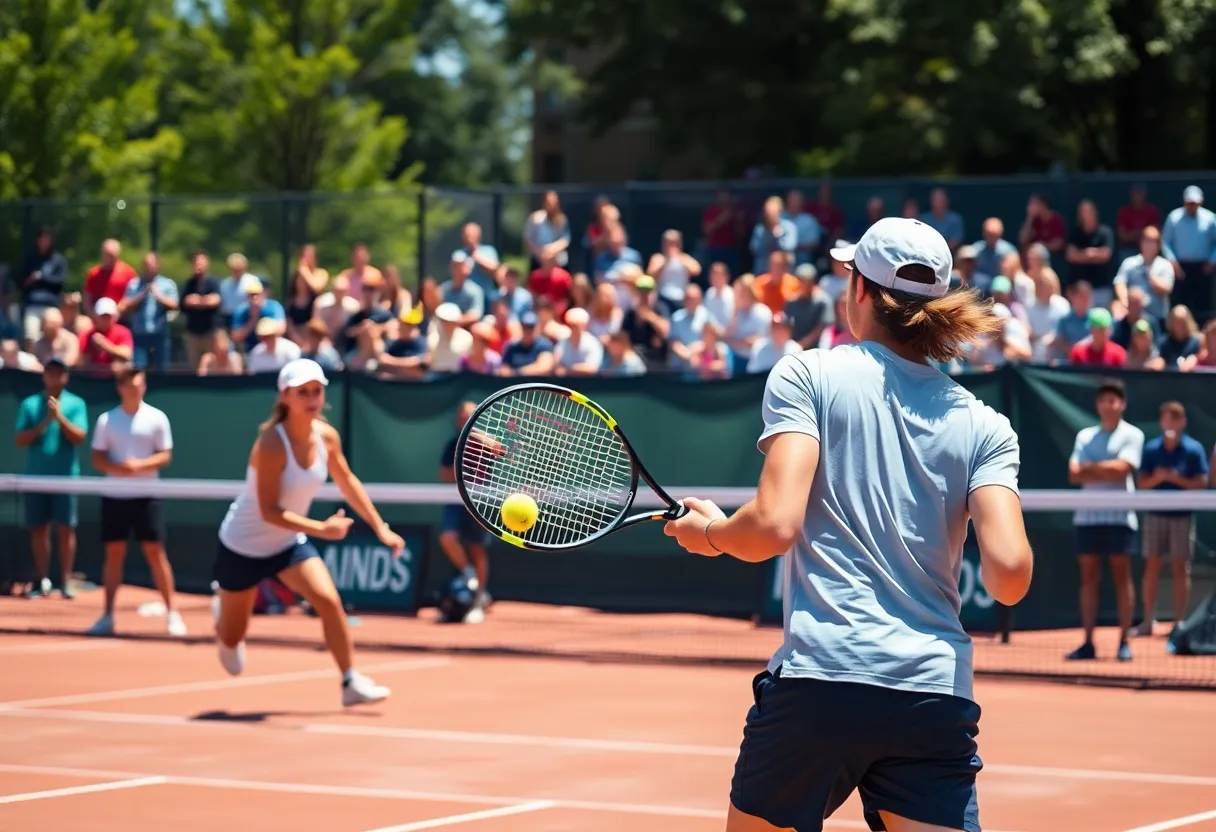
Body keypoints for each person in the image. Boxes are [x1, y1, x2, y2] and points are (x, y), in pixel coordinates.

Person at [664, 217, 1033, 832]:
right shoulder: (985, 424)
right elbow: (1010, 578)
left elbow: (773, 526)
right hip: (934, 694)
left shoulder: (806, 374)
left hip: (822, 681)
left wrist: (711, 533)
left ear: (859, 290)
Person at [213, 358, 403, 705]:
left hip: (287, 543)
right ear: (286, 396)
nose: (313, 399)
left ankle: (349, 682)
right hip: (243, 546)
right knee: (232, 638)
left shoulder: (327, 437)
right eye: (304, 393)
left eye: (317, 391)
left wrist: (381, 528)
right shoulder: (270, 443)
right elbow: (269, 510)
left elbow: (347, 481)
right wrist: (322, 529)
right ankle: (224, 618)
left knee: (329, 601)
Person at [87, 364, 183, 637]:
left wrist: (138, 466)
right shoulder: (107, 420)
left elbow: (165, 456)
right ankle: (107, 616)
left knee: (156, 553)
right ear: (120, 388)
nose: (135, 389)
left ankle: (172, 613)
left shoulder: (157, 418)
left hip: (148, 496)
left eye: (139, 384)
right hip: (115, 497)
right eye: (130, 385)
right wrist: (120, 469)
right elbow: (97, 458)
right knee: (113, 555)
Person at [1066, 379, 1145, 662]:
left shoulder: (1133, 435)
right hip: (1087, 517)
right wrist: (1104, 470)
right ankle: (1088, 642)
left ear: (1121, 404)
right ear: (1098, 405)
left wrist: (1091, 469)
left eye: (1113, 400)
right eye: (1103, 400)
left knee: (1122, 578)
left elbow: (1123, 470)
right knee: (1088, 579)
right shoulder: (1085, 436)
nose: (1108, 405)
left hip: (1120, 517)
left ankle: (1124, 642)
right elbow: (1074, 474)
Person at [1136, 402, 1209, 646]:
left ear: (1182, 422)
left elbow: (1201, 484)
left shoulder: (1193, 449)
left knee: (1180, 568)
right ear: (1161, 422)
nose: (1171, 424)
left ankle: (1179, 622)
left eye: (1175, 419)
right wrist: (1159, 477)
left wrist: (1174, 478)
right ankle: (1148, 620)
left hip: (1182, 518)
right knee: (1152, 567)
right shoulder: (1152, 448)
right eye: (1167, 419)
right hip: (1155, 516)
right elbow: (1142, 483)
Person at [15, 358, 89, 598]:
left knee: (66, 528)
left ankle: (66, 581)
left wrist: (59, 418)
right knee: (38, 528)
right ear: (44, 376)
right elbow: (21, 439)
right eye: (50, 373)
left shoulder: (76, 404)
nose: (55, 378)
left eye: (59, 374)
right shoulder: (30, 404)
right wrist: (45, 421)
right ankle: (42, 580)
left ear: (65, 377)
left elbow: (79, 437)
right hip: (36, 478)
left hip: (66, 478)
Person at [438, 401, 492, 623]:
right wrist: (461, 479)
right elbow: (444, 475)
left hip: (479, 502)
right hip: (457, 500)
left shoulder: (486, 443)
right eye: (463, 416)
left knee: (477, 548)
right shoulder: (453, 445)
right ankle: (469, 574)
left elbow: (501, 450)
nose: (466, 419)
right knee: (447, 537)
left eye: (471, 415)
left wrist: (480, 438)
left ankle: (478, 599)